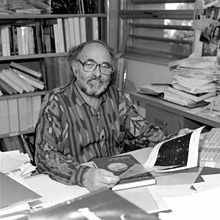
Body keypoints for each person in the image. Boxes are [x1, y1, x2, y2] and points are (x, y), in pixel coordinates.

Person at [34, 40, 174, 191]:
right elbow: (44, 156)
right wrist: (84, 176)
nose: (98, 74)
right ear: (75, 69)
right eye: (89, 64)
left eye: (105, 66)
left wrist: (176, 140)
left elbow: (144, 132)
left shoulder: (117, 97)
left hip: (115, 180)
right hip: (76, 186)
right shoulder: (56, 102)